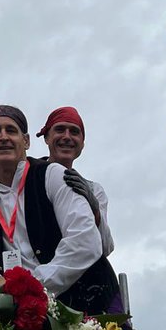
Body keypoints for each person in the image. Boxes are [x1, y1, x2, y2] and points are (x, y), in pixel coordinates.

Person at [0, 104, 119, 314]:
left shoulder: (53, 175)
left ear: (26, 141)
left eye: (10, 130)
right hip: (15, 311)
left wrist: (34, 286)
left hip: (81, 306)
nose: (3, 137)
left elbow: (86, 242)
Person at [37, 106, 114, 257]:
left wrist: (95, 209)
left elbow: (105, 248)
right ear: (46, 138)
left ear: (82, 143)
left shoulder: (94, 190)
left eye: (74, 132)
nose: (67, 136)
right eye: (60, 129)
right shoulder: (25, 178)